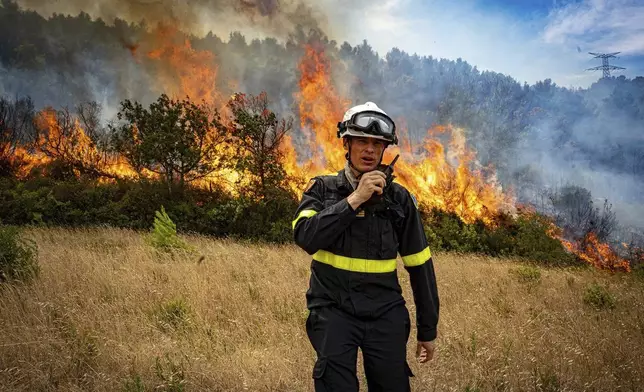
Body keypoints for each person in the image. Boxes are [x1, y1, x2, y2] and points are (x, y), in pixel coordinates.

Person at [292, 102, 440, 391]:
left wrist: (428, 329)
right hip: (333, 310)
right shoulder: (322, 190)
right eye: (362, 141)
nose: (370, 150)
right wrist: (354, 200)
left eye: (377, 143)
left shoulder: (399, 199)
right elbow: (305, 237)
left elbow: (420, 266)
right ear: (346, 143)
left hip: (385, 313)